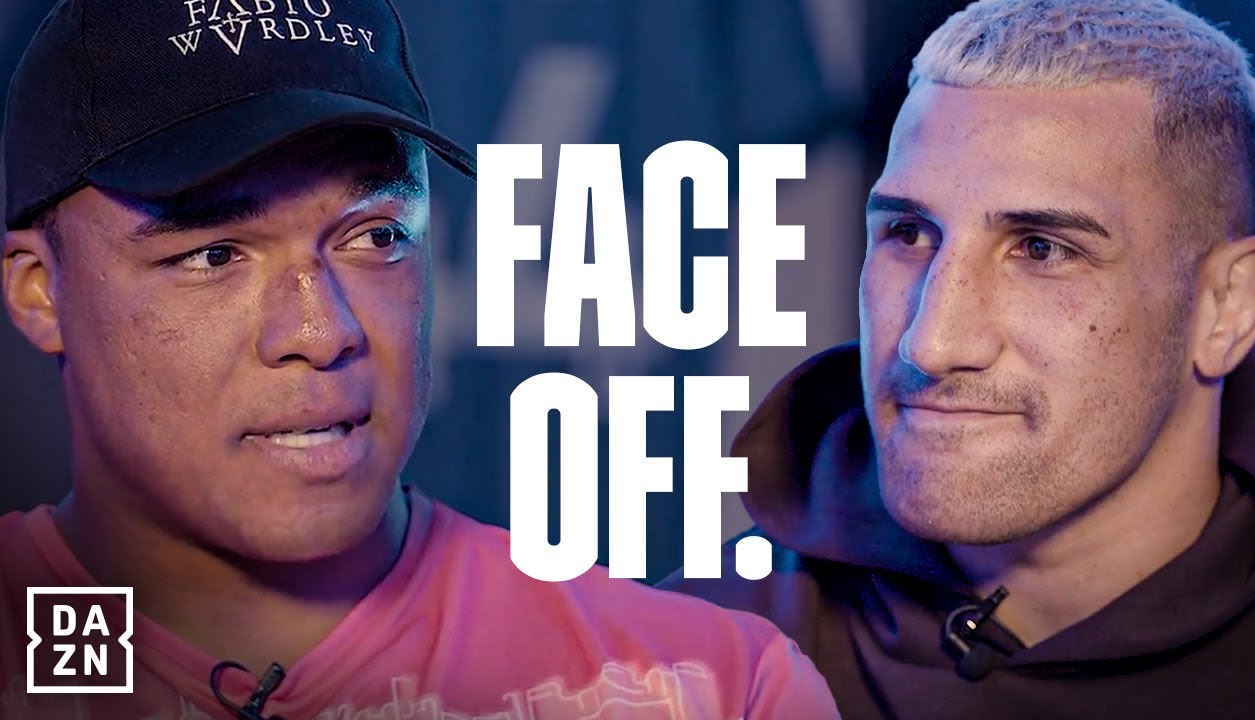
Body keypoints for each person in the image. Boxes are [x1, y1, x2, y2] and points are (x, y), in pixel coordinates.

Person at [0, 1, 840, 718]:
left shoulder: (709, 688)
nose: (321, 330)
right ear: (39, 292)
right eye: (214, 255)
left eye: (375, 236)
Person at [663, 0, 1255, 717]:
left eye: (1041, 249)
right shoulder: (690, 663)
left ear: (1227, 306)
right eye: (908, 233)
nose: (932, 343)